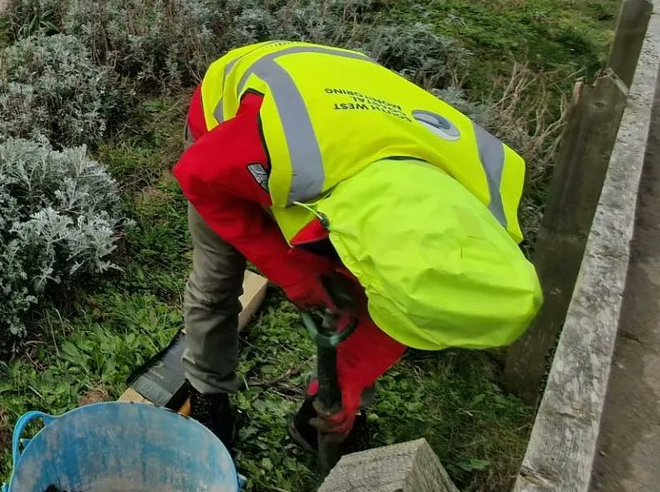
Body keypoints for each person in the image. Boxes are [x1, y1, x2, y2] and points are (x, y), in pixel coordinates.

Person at [173, 40, 542, 455]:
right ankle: (206, 389)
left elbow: (406, 305)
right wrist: (294, 273)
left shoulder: (487, 201)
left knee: (354, 293)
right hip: (233, 126)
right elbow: (198, 175)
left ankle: (327, 405)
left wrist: (344, 386)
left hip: (338, 125)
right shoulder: (287, 151)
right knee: (216, 280)